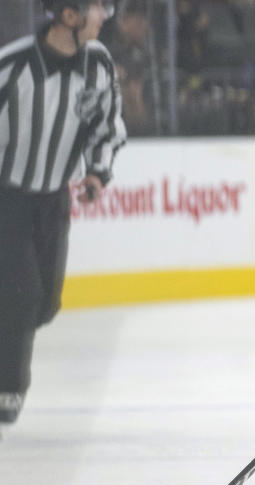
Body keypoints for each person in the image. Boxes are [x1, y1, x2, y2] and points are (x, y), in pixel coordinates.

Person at [0, 0, 126, 426]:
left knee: (45, 304)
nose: (105, 15)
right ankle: (9, 388)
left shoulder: (98, 66)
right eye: (97, 7)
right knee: (23, 295)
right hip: (7, 199)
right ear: (69, 17)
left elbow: (107, 127)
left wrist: (96, 171)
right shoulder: (11, 67)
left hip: (53, 201)